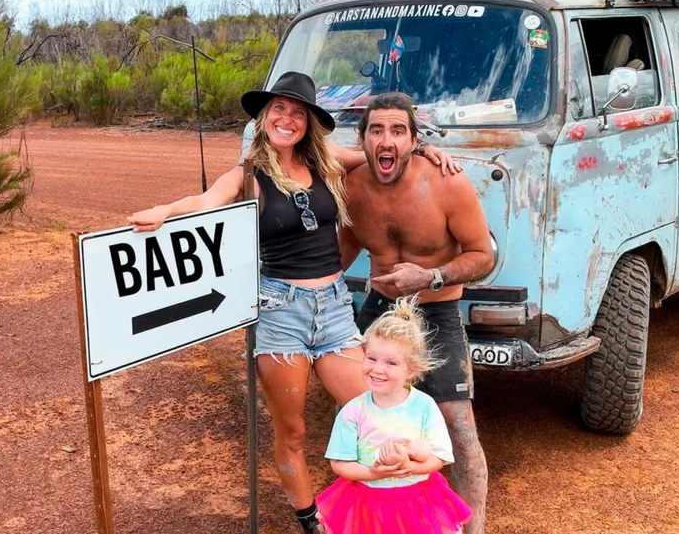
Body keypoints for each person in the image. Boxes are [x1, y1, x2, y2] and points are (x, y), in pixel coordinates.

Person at [127, 73, 456, 534]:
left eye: (298, 113)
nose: (288, 119)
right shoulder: (248, 176)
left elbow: (381, 152)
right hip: (282, 312)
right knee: (294, 430)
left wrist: (423, 149)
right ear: (265, 117)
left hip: (335, 308)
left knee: (373, 403)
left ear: (308, 123)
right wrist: (165, 211)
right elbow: (206, 200)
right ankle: (311, 521)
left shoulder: (325, 161)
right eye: (280, 109)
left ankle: (387, 505)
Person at [338, 92, 494, 534]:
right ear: (363, 139)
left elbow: (483, 255)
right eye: (376, 130)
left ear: (413, 140)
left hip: (437, 310)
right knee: (359, 412)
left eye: (398, 131)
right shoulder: (352, 187)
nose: (386, 140)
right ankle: (375, 518)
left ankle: (472, 527)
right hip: (381, 311)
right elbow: (338, 257)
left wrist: (431, 277)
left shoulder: (446, 182)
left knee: (459, 428)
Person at [316, 296, 472, 534]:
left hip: (417, 502)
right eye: (371, 358)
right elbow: (340, 463)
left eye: (391, 363)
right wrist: (373, 473)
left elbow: (439, 456)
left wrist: (410, 466)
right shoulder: (352, 411)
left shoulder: (424, 406)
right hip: (367, 503)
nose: (378, 369)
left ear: (411, 369)